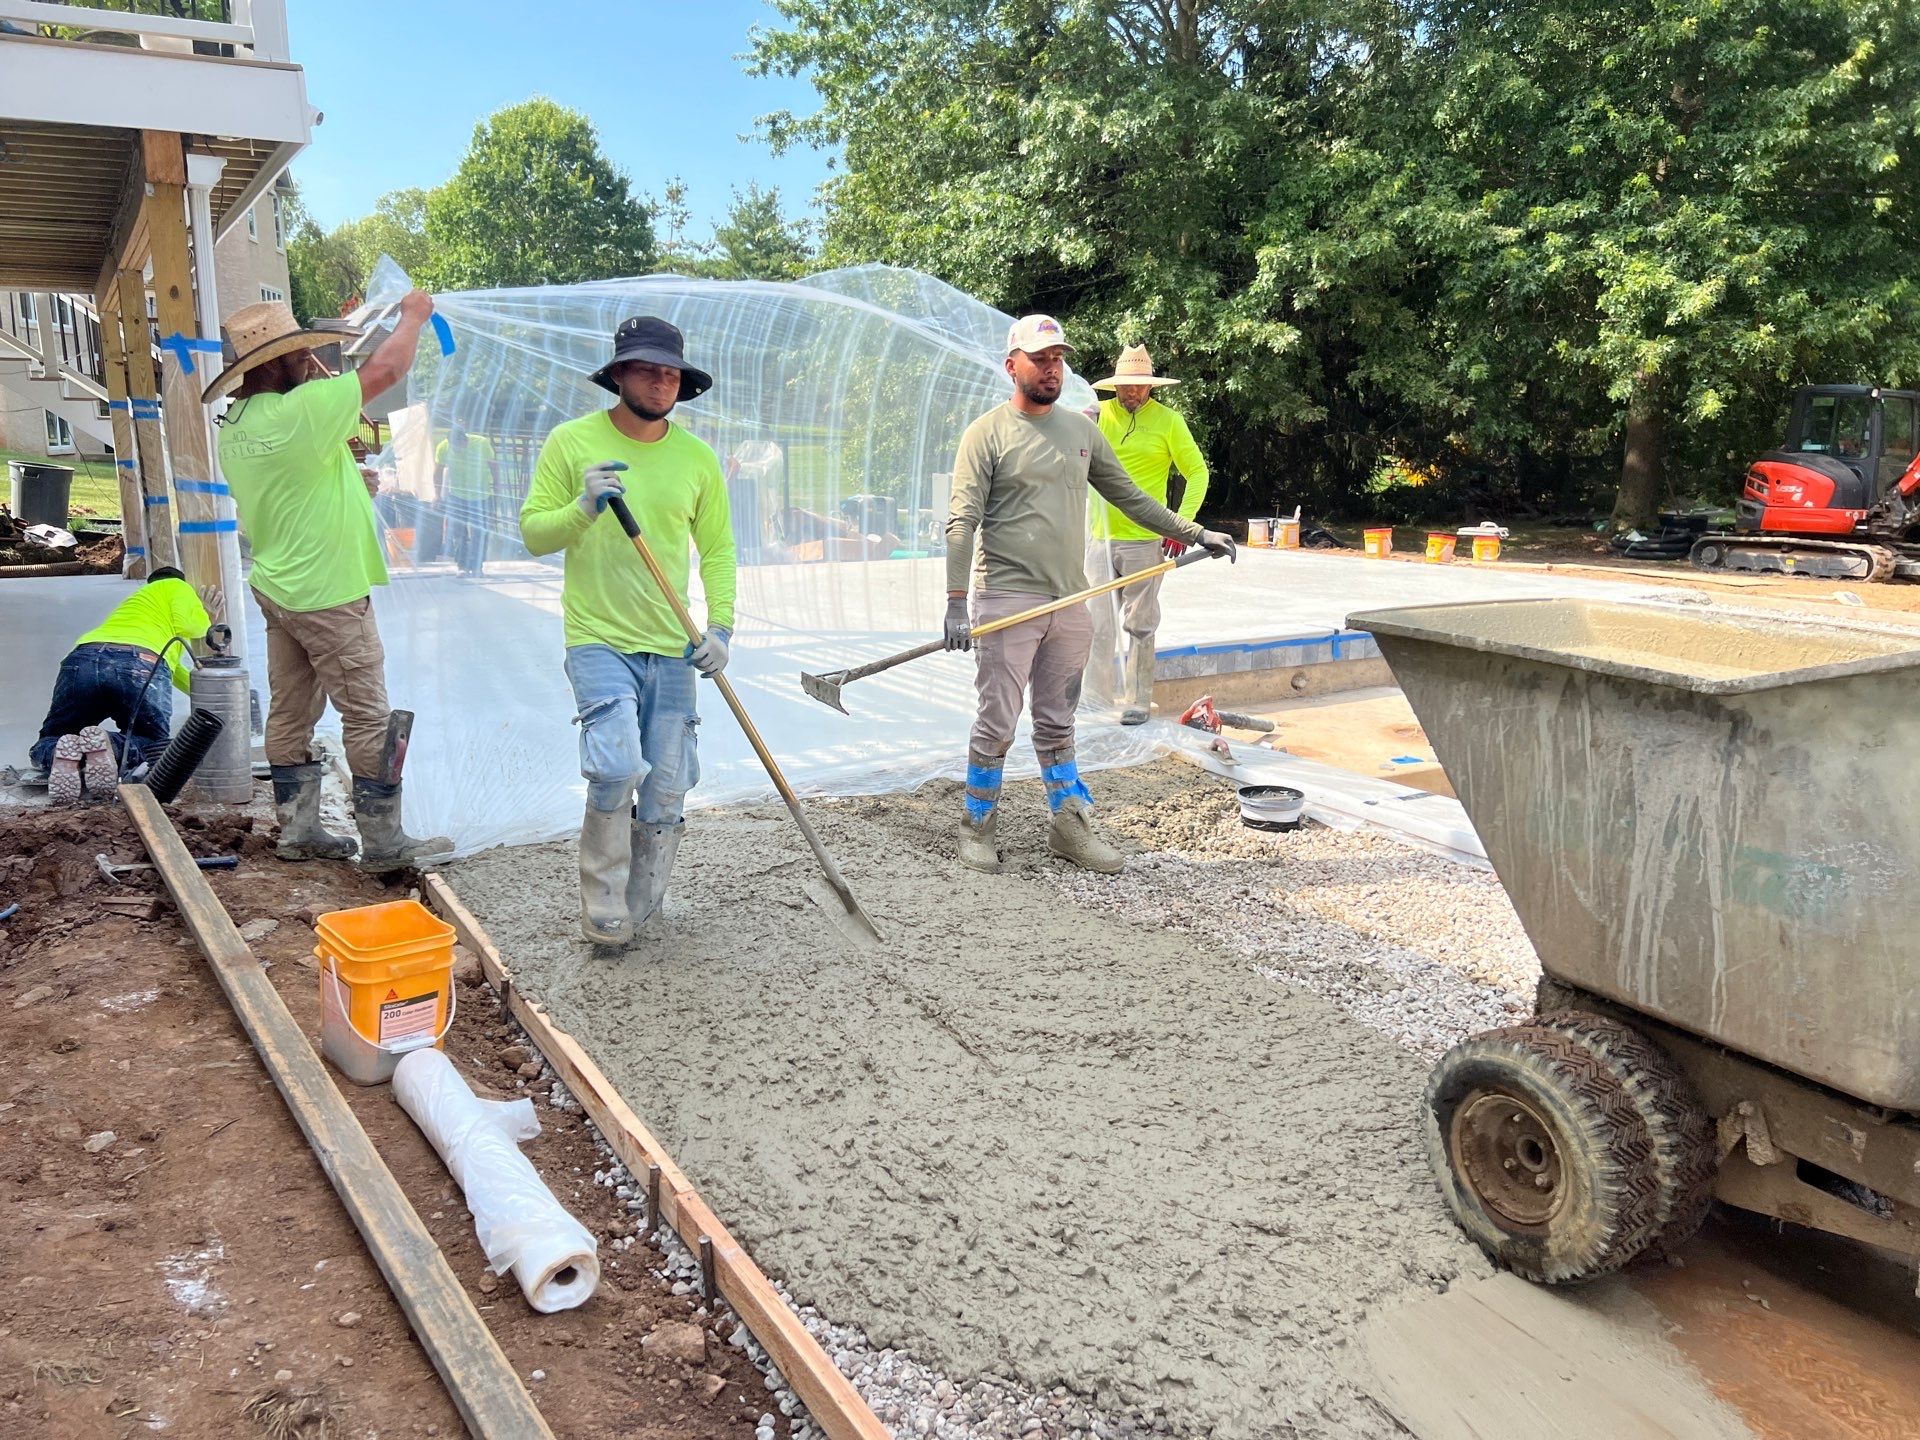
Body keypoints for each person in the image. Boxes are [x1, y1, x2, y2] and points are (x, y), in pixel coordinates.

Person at [944, 315, 1235, 875]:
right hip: (1005, 597)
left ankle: (1069, 824)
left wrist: (1195, 532)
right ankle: (977, 825)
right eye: (1041, 359)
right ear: (1013, 366)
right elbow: (962, 522)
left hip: (1068, 603)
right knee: (997, 719)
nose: (1053, 369)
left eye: (1058, 359)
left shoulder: (1082, 433)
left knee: (1058, 720)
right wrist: (957, 600)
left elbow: (1130, 498)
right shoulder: (986, 433)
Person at [204, 296, 452, 869]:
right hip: (329, 593)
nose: (311, 360)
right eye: (301, 354)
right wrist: (413, 316)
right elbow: (386, 371)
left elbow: (291, 480)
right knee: (367, 714)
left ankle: (297, 833)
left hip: (277, 586)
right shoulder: (305, 409)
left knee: (290, 711)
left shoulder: (237, 426)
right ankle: (385, 844)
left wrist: (346, 477)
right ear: (276, 363)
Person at [520, 317, 736, 947]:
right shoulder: (571, 443)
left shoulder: (696, 458)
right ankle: (605, 898)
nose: (661, 380)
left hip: (672, 643)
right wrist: (582, 508)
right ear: (618, 374)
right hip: (598, 638)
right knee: (616, 763)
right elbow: (535, 534)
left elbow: (718, 549)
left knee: (668, 783)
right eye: (647, 368)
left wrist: (720, 626)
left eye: (671, 371)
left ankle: (645, 899)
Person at [1084, 344, 1211, 724]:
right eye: (1126, 386)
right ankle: (1096, 696)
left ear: (1151, 387)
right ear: (1116, 386)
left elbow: (1197, 473)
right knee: (1096, 623)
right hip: (1099, 537)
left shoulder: (1169, 421)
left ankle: (1137, 699)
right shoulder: (1098, 415)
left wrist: (1181, 525)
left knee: (1140, 623)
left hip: (1144, 539)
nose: (1133, 393)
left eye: (1140, 386)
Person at [28, 567, 211, 804]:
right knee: (152, 744)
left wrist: (208, 691)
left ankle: (62, 751)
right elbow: (191, 625)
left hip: (85, 656)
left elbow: (174, 672)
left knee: (53, 735)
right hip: (140, 662)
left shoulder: (138, 604)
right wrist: (208, 614)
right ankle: (109, 744)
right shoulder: (176, 585)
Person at [434, 427, 500, 575]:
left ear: (465, 440)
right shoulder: (443, 447)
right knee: (458, 532)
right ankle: (462, 566)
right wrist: (437, 494)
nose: (456, 449)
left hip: (480, 496)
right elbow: (437, 471)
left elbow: (494, 466)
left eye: (458, 445)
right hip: (456, 495)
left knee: (480, 533)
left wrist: (497, 486)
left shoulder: (481, 444)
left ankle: (477, 566)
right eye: (453, 445)